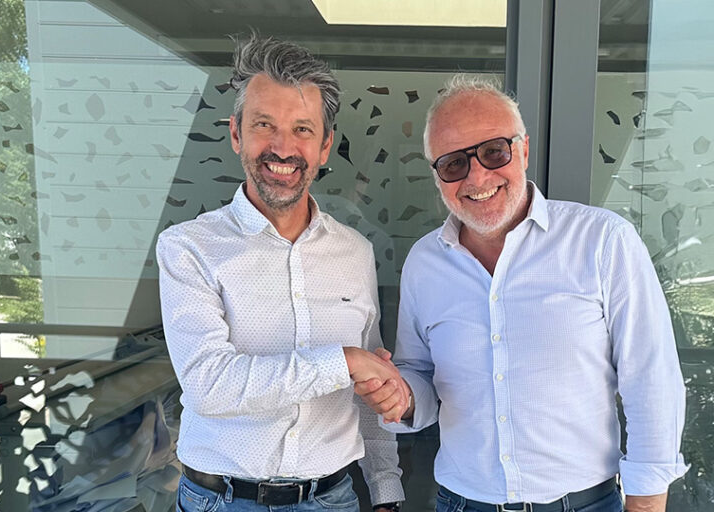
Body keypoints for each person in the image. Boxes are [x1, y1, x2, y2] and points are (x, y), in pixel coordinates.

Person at [355, 76, 688, 512]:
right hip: (462, 503)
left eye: (494, 152)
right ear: (437, 176)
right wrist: (402, 396)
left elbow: (651, 380)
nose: (477, 176)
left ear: (524, 150)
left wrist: (646, 504)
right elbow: (419, 373)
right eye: (453, 163)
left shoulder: (603, 241)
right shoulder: (424, 262)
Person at [156, 34, 406, 512]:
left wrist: (385, 487)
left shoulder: (355, 252)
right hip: (223, 501)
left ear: (325, 146)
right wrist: (343, 361)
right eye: (264, 124)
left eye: (302, 129)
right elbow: (209, 385)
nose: (282, 147)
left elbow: (370, 387)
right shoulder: (188, 248)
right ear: (236, 134)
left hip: (334, 498)